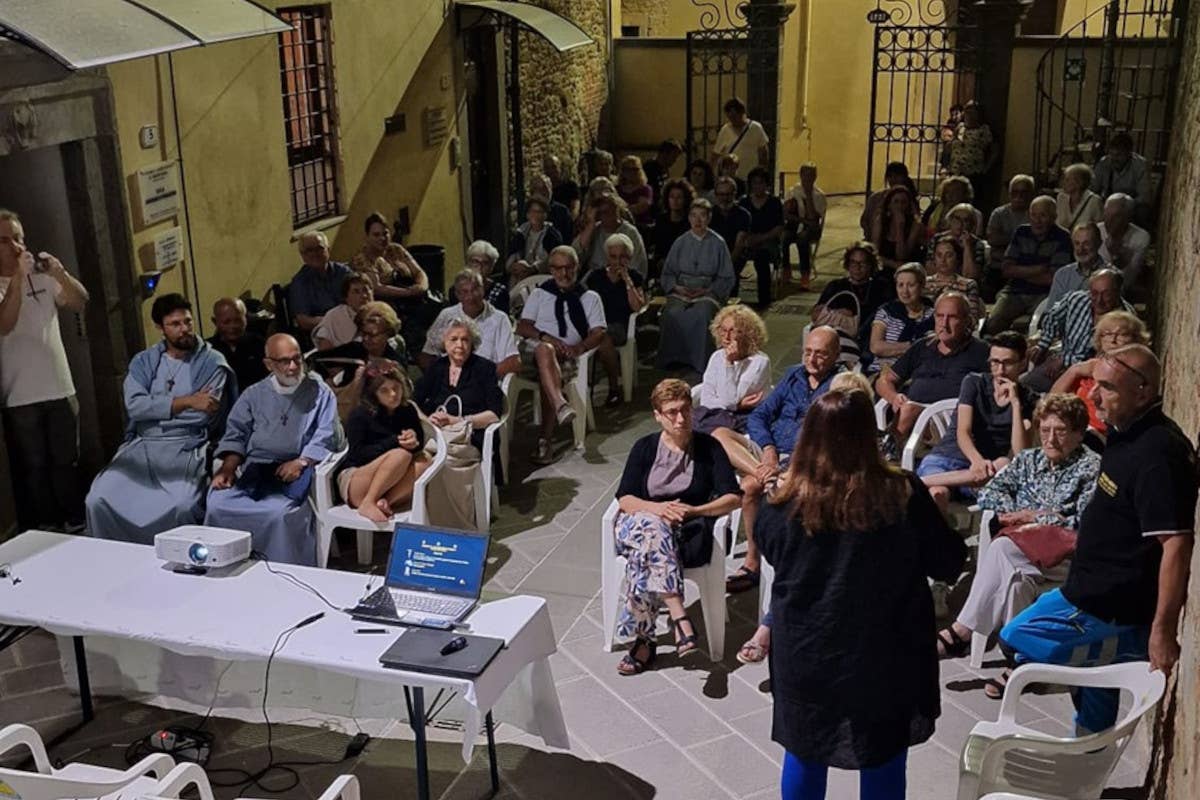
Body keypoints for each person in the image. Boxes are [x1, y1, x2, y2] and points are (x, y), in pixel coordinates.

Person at [756, 389, 966, 800]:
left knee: (805, 750)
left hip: (809, 649)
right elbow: (946, 562)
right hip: (886, 651)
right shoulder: (902, 494)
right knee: (883, 754)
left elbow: (770, 551)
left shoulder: (783, 502)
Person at [1000, 345, 1195, 729]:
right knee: (1092, 707)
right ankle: (1087, 771)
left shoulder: (1158, 453)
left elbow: (1176, 543)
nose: (1092, 396)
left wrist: (1162, 631)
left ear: (1142, 391)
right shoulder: (1126, 430)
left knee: (1014, 639)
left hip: (1103, 603)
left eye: (1106, 388)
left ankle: (1125, 652)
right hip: (1091, 591)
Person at [933, 394, 1100, 695]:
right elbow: (989, 494)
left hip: (1063, 557)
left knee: (1001, 548)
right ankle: (1021, 664)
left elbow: (1084, 523)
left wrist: (1042, 523)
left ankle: (963, 630)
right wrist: (1018, 514)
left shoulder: (1090, 467)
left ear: (1078, 433)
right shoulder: (1028, 460)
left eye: (1060, 431)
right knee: (1016, 581)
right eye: (1045, 429)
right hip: (1024, 557)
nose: (1050, 438)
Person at [612, 379, 742, 674]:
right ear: (657, 415)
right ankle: (679, 614)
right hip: (637, 523)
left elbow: (733, 497)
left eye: (685, 410)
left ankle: (643, 642)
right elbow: (626, 498)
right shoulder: (645, 448)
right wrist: (659, 510)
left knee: (644, 553)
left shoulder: (709, 448)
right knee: (652, 527)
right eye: (671, 412)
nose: (680, 419)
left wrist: (695, 510)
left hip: (685, 529)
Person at [86, 294, 234, 542]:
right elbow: (135, 407)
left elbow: (199, 416)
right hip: (143, 446)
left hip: (186, 446)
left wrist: (155, 410)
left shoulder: (211, 362)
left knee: (182, 505)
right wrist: (186, 401)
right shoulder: (144, 362)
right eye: (175, 324)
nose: (184, 329)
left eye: (187, 321)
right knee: (97, 499)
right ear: (160, 328)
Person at [724, 326, 842, 598]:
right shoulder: (792, 375)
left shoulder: (841, 385)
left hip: (806, 458)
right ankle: (765, 472)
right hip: (772, 452)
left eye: (821, 354)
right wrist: (768, 451)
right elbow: (759, 416)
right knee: (720, 435)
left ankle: (752, 562)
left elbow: (832, 436)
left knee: (751, 487)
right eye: (808, 352)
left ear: (836, 355)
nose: (811, 360)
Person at [205, 334, 340, 566]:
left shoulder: (320, 392)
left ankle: (280, 570)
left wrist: (302, 461)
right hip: (256, 469)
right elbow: (236, 433)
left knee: (277, 515)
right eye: (284, 361)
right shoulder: (254, 395)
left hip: (295, 469)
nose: (293, 367)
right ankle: (226, 567)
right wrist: (228, 467)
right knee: (218, 505)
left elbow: (327, 434)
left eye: (297, 359)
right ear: (269, 364)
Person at [0, 209, 89, 531]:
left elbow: (79, 301)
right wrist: (18, 281)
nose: (16, 246)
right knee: (34, 467)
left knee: (67, 462)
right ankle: (45, 527)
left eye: (19, 238)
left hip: (60, 386)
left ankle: (75, 522)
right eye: (5, 240)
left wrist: (61, 274)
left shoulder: (43, 277)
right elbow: (5, 324)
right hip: (20, 394)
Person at [916, 331, 1036, 515]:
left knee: (1004, 463)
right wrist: (977, 461)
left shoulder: (1027, 398)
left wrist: (1015, 404)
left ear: (1022, 363)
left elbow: (1021, 453)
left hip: (984, 473)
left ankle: (915, 481)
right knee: (938, 493)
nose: (1000, 370)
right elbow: (963, 431)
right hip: (948, 461)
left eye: (1007, 363)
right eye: (995, 362)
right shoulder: (974, 382)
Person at [515, 246, 608, 465]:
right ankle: (559, 405)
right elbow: (523, 326)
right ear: (551, 269)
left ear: (577, 267)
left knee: (547, 367)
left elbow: (599, 332)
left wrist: (579, 348)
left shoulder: (589, 297)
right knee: (544, 351)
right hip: (531, 353)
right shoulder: (540, 294)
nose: (563, 274)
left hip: (568, 357)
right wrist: (546, 338)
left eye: (568, 268)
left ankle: (545, 440)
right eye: (557, 268)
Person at [414, 319, 504, 528]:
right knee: (418, 460)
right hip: (437, 435)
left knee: (441, 463)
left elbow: (494, 414)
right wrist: (429, 421)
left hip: (470, 437)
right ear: (443, 343)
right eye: (453, 339)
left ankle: (456, 525)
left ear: (472, 343)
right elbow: (413, 401)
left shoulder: (485, 369)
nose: (459, 345)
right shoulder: (437, 367)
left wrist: (458, 421)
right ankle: (426, 521)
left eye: (465, 340)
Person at [876, 292, 990, 442]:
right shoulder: (922, 347)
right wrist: (894, 397)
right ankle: (887, 450)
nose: (944, 323)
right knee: (907, 409)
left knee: (909, 410)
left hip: (953, 423)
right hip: (913, 422)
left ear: (967, 321)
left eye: (952, 317)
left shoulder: (981, 351)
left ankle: (886, 450)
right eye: (940, 316)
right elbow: (884, 381)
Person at [338, 360, 427, 523]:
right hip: (357, 478)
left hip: (390, 482)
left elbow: (419, 443)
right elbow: (358, 454)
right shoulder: (360, 415)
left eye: (396, 388)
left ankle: (384, 503)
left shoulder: (407, 410)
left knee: (423, 464)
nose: (393, 394)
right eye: (384, 391)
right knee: (401, 455)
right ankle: (368, 502)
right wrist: (395, 442)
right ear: (374, 394)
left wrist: (413, 440)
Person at [656, 199, 737, 375]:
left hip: (708, 291)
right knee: (671, 313)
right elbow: (668, 273)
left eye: (702, 216)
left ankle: (700, 361)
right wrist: (677, 288)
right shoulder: (680, 242)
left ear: (709, 218)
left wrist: (708, 290)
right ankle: (673, 359)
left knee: (702, 313)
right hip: (681, 290)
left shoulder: (718, 243)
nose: (697, 220)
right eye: (693, 216)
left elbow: (726, 276)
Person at [1025, 269, 1132, 392]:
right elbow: (1053, 317)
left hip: (1093, 377)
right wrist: (1043, 344)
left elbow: (1099, 358)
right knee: (1025, 387)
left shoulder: (1125, 321)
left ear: (1118, 292)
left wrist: (1064, 361)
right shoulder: (1077, 299)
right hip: (1058, 364)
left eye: (1106, 294)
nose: (1099, 300)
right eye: (1094, 293)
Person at [1051, 309, 1150, 440]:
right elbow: (1052, 401)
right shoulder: (1087, 369)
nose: (1113, 340)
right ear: (1099, 339)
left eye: (1122, 334)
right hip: (1079, 434)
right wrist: (1074, 370)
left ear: (1136, 339)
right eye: (1107, 334)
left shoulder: (1140, 371)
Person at [985, 195, 1072, 335]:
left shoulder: (1063, 237)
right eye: (1033, 215)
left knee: (1039, 327)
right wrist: (1038, 269)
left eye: (1042, 215)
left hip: (1044, 294)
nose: (1037, 220)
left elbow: (1053, 278)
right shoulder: (1021, 232)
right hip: (1015, 292)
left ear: (1054, 216)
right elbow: (1006, 269)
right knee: (993, 324)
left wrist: (1019, 272)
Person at [420, 269, 520, 377]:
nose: (471, 297)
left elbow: (514, 361)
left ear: (483, 289)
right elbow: (426, 355)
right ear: (457, 295)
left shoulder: (499, 319)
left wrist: (482, 377)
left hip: (484, 380)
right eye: (464, 292)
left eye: (475, 290)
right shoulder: (447, 315)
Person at [584, 234, 647, 407]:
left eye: (622, 257)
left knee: (604, 338)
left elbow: (637, 307)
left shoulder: (634, 277)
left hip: (619, 326)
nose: (617, 261)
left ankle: (613, 387)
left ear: (629, 258)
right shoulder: (595, 277)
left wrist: (627, 281)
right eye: (613, 256)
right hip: (595, 324)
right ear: (607, 257)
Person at [693, 304, 771, 442]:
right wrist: (737, 404)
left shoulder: (760, 362)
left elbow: (728, 400)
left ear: (747, 334)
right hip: (715, 414)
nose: (726, 337)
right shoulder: (717, 356)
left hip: (743, 419)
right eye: (723, 330)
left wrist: (729, 363)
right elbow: (706, 399)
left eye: (733, 331)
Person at [812, 242, 895, 353]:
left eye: (862, 263)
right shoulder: (836, 286)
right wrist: (838, 312)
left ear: (870, 265)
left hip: (870, 338)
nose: (857, 267)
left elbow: (889, 313)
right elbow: (816, 314)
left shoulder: (881, 286)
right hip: (838, 338)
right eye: (853, 262)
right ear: (847, 264)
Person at [868, 263, 934, 376]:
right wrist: (913, 346)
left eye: (911, 285)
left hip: (915, 373)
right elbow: (876, 347)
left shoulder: (934, 315)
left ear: (922, 285)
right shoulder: (887, 311)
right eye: (900, 285)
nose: (905, 291)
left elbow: (931, 348)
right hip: (881, 371)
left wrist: (891, 349)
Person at [739, 167, 786, 307]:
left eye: (760, 183)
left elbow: (779, 227)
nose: (757, 186)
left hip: (768, 241)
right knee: (735, 261)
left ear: (766, 185)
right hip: (747, 240)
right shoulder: (744, 202)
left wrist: (762, 238)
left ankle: (764, 301)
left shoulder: (774, 203)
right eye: (754, 183)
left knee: (762, 259)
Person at [288, 231, 352, 332]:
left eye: (319, 248)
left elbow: (359, 298)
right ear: (303, 255)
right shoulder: (300, 282)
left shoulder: (343, 272)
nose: (315, 254)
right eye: (309, 250)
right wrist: (334, 321)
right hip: (323, 331)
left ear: (328, 250)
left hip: (351, 322)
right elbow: (303, 321)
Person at [573, 192, 648, 276]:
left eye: (610, 211)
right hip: (595, 279)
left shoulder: (630, 232)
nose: (607, 216)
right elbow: (575, 254)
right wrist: (591, 224)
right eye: (602, 212)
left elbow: (638, 265)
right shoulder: (594, 229)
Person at [985, 174, 1035, 299]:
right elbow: (992, 239)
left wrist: (1006, 240)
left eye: (1023, 193)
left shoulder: (1035, 215)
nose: (1018, 197)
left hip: (1026, 269)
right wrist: (1021, 238)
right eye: (1015, 192)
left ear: (1031, 194)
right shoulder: (999, 213)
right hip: (998, 268)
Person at [781, 162, 826, 291]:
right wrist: (802, 220)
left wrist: (808, 195)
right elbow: (786, 214)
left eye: (812, 175)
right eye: (806, 175)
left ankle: (805, 274)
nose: (808, 178)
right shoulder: (793, 191)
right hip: (795, 224)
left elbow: (813, 218)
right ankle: (786, 269)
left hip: (812, 229)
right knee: (784, 237)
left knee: (803, 239)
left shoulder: (819, 195)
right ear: (800, 175)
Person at [208, 297, 267, 392]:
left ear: (246, 319)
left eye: (238, 320)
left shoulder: (259, 344)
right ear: (215, 322)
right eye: (226, 322)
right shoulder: (208, 351)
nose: (233, 326)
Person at [924, 235, 986, 324]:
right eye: (939, 255)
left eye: (948, 255)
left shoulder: (969, 285)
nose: (943, 260)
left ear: (957, 258)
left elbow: (973, 319)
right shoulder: (924, 283)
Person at [1045, 222, 1107, 310]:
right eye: (1077, 243)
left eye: (1086, 244)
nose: (1081, 249)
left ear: (1099, 244)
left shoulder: (1111, 276)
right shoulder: (1062, 275)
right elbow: (1051, 312)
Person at [1097, 193, 1151, 292]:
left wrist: (1116, 256)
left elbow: (1127, 281)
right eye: (1106, 214)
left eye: (1116, 216)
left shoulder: (1140, 237)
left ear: (1128, 217)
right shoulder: (1096, 231)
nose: (1108, 221)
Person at [947, 101, 995, 207]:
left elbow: (994, 150)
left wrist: (986, 168)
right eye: (967, 111)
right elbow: (952, 143)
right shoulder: (960, 127)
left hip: (973, 172)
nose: (969, 114)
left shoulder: (983, 130)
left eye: (972, 112)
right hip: (955, 171)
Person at [507, 196, 564, 284]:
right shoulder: (521, 233)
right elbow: (512, 255)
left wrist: (534, 268)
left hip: (542, 276)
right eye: (532, 211)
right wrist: (515, 267)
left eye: (539, 212)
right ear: (527, 214)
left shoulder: (552, 235)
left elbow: (554, 259)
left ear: (545, 214)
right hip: (520, 274)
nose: (535, 215)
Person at [1091, 131, 1152, 209]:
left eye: (1119, 155)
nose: (1114, 159)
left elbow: (1144, 196)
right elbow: (1093, 188)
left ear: (1129, 153)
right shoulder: (1104, 163)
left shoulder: (1140, 165)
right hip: (1108, 204)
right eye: (1112, 154)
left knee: (1142, 209)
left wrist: (1125, 205)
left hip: (1131, 206)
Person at [711, 97, 769, 178]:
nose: (732, 120)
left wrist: (763, 172)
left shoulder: (756, 128)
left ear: (742, 113)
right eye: (729, 117)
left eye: (734, 116)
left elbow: (763, 152)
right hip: (732, 176)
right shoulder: (725, 130)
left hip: (750, 176)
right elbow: (716, 154)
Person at [313, 274, 374, 351]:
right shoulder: (335, 316)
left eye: (366, 290)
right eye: (356, 292)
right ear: (346, 297)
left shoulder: (382, 313)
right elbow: (324, 346)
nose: (364, 296)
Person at [871, 185, 925, 270]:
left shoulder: (915, 225)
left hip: (906, 267)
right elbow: (874, 253)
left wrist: (900, 228)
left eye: (903, 202)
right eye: (896, 201)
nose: (899, 206)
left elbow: (901, 256)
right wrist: (892, 264)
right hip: (884, 265)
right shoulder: (880, 221)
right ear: (889, 204)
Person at [651, 179, 695, 277]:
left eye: (679, 197)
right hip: (663, 264)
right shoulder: (661, 220)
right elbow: (658, 246)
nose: (675, 200)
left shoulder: (691, 222)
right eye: (672, 197)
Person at [861, 161, 913, 239]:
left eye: (897, 175)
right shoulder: (875, 198)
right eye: (890, 176)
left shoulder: (909, 199)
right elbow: (864, 221)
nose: (893, 179)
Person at [709, 176, 751, 268]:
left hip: (734, 256)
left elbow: (739, 245)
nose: (724, 198)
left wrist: (726, 266)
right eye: (721, 194)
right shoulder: (709, 214)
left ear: (734, 194)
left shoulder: (743, 215)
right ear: (716, 195)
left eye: (728, 194)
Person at [942, 202, 987, 282]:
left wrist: (967, 246)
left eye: (966, 220)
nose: (960, 223)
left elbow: (970, 276)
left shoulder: (978, 244)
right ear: (950, 220)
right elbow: (930, 270)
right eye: (957, 218)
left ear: (972, 225)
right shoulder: (938, 239)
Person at [465, 240, 511, 313]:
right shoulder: (457, 289)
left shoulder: (500, 292)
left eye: (485, 263)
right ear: (468, 263)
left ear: (492, 267)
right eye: (475, 261)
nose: (480, 266)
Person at [1055, 163, 1104, 231]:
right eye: (1064, 179)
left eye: (1067, 180)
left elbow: (1100, 228)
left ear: (1079, 182)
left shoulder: (1094, 201)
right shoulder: (1061, 198)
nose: (1063, 182)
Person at [529, 173, 575, 241]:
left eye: (544, 188)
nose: (542, 192)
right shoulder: (527, 211)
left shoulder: (562, 211)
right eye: (538, 189)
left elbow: (568, 239)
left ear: (551, 189)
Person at [616, 155, 655, 228]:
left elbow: (640, 208)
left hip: (641, 226)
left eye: (635, 169)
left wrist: (621, 210)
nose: (632, 173)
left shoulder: (645, 189)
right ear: (623, 171)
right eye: (628, 169)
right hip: (619, 227)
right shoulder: (616, 189)